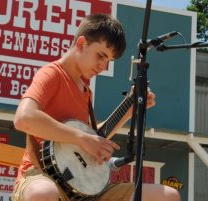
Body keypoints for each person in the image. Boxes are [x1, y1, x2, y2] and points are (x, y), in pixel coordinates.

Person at [12, 13, 180, 201]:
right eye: (101, 56)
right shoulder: (52, 74)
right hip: (40, 176)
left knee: (167, 195)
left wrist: (129, 110)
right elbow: (23, 118)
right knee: (43, 193)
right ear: (82, 43)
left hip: (81, 190)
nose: (103, 66)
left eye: (108, 61)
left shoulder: (85, 91)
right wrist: (81, 138)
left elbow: (92, 138)